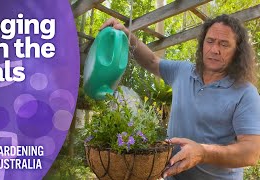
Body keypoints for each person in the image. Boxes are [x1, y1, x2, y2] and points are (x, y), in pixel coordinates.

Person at [100, 14, 260, 180]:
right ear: (202, 43)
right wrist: (127, 35)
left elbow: (251, 153)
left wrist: (203, 153)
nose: (214, 50)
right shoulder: (183, 71)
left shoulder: (245, 93)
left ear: (237, 51)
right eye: (210, 41)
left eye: (224, 44)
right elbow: (152, 61)